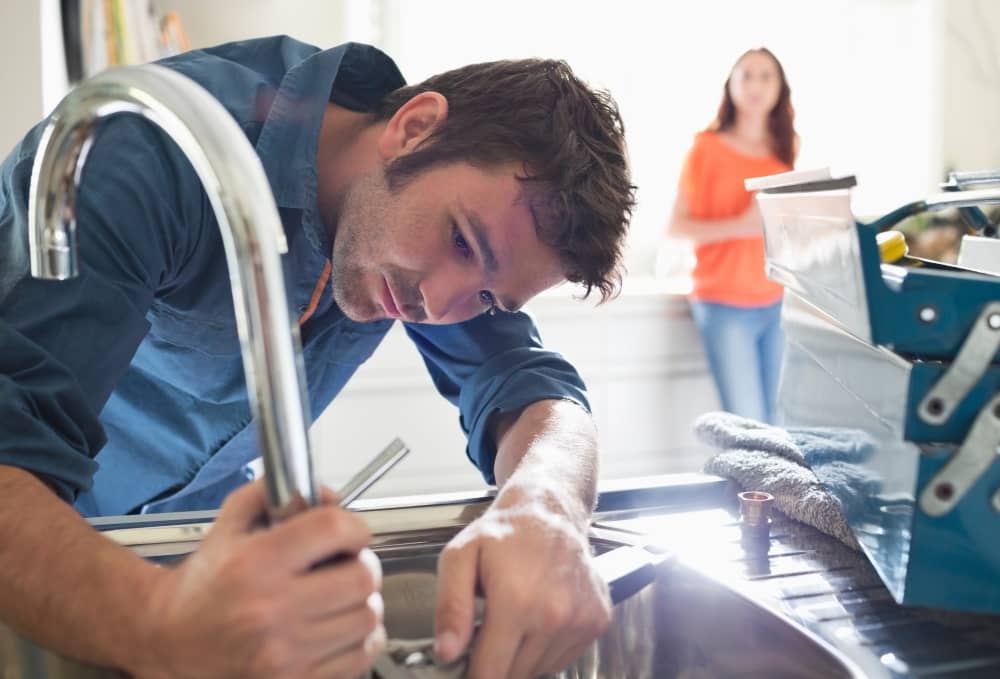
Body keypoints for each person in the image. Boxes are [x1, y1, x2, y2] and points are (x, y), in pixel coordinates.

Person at [0, 37, 634, 679]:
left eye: (489, 297)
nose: (438, 306)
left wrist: (546, 506)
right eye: (463, 243)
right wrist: (160, 623)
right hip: (42, 550)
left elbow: (529, 385)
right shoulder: (148, 153)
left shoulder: (409, 235)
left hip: (186, 538)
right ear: (414, 129)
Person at [666, 47, 797, 425]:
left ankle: (776, 489)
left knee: (778, 423)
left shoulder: (786, 150)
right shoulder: (705, 148)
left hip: (776, 301)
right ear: (731, 86)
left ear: (780, 87)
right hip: (724, 304)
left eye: (766, 75)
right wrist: (742, 225)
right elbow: (676, 228)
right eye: (746, 75)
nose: (755, 85)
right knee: (749, 424)